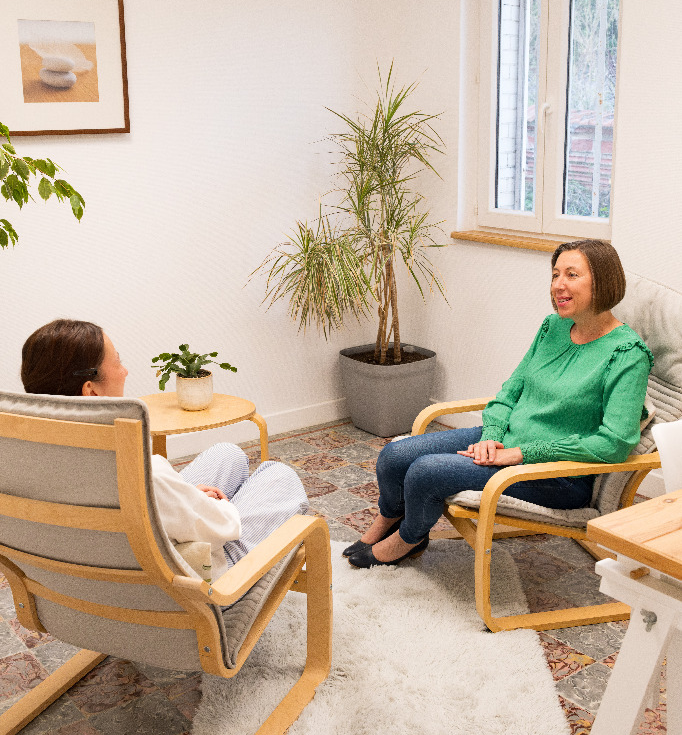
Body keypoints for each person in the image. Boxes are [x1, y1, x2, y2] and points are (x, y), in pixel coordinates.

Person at [346, 239, 653, 568]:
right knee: (394, 457)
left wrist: (521, 454)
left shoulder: (627, 354)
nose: (558, 285)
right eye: (555, 275)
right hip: (507, 442)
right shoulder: (554, 327)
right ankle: (389, 520)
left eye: (572, 275)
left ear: (603, 281)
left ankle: (408, 539)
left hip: (556, 475)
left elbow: (615, 443)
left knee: (426, 472)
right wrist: (492, 435)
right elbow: (511, 391)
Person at [21, 319, 308, 580]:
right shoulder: (136, 470)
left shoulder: (24, 460)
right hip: (191, 585)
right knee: (279, 476)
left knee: (228, 454)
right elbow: (223, 528)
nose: (125, 371)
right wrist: (216, 506)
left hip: (97, 575)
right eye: (118, 361)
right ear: (91, 390)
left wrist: (183, 498)